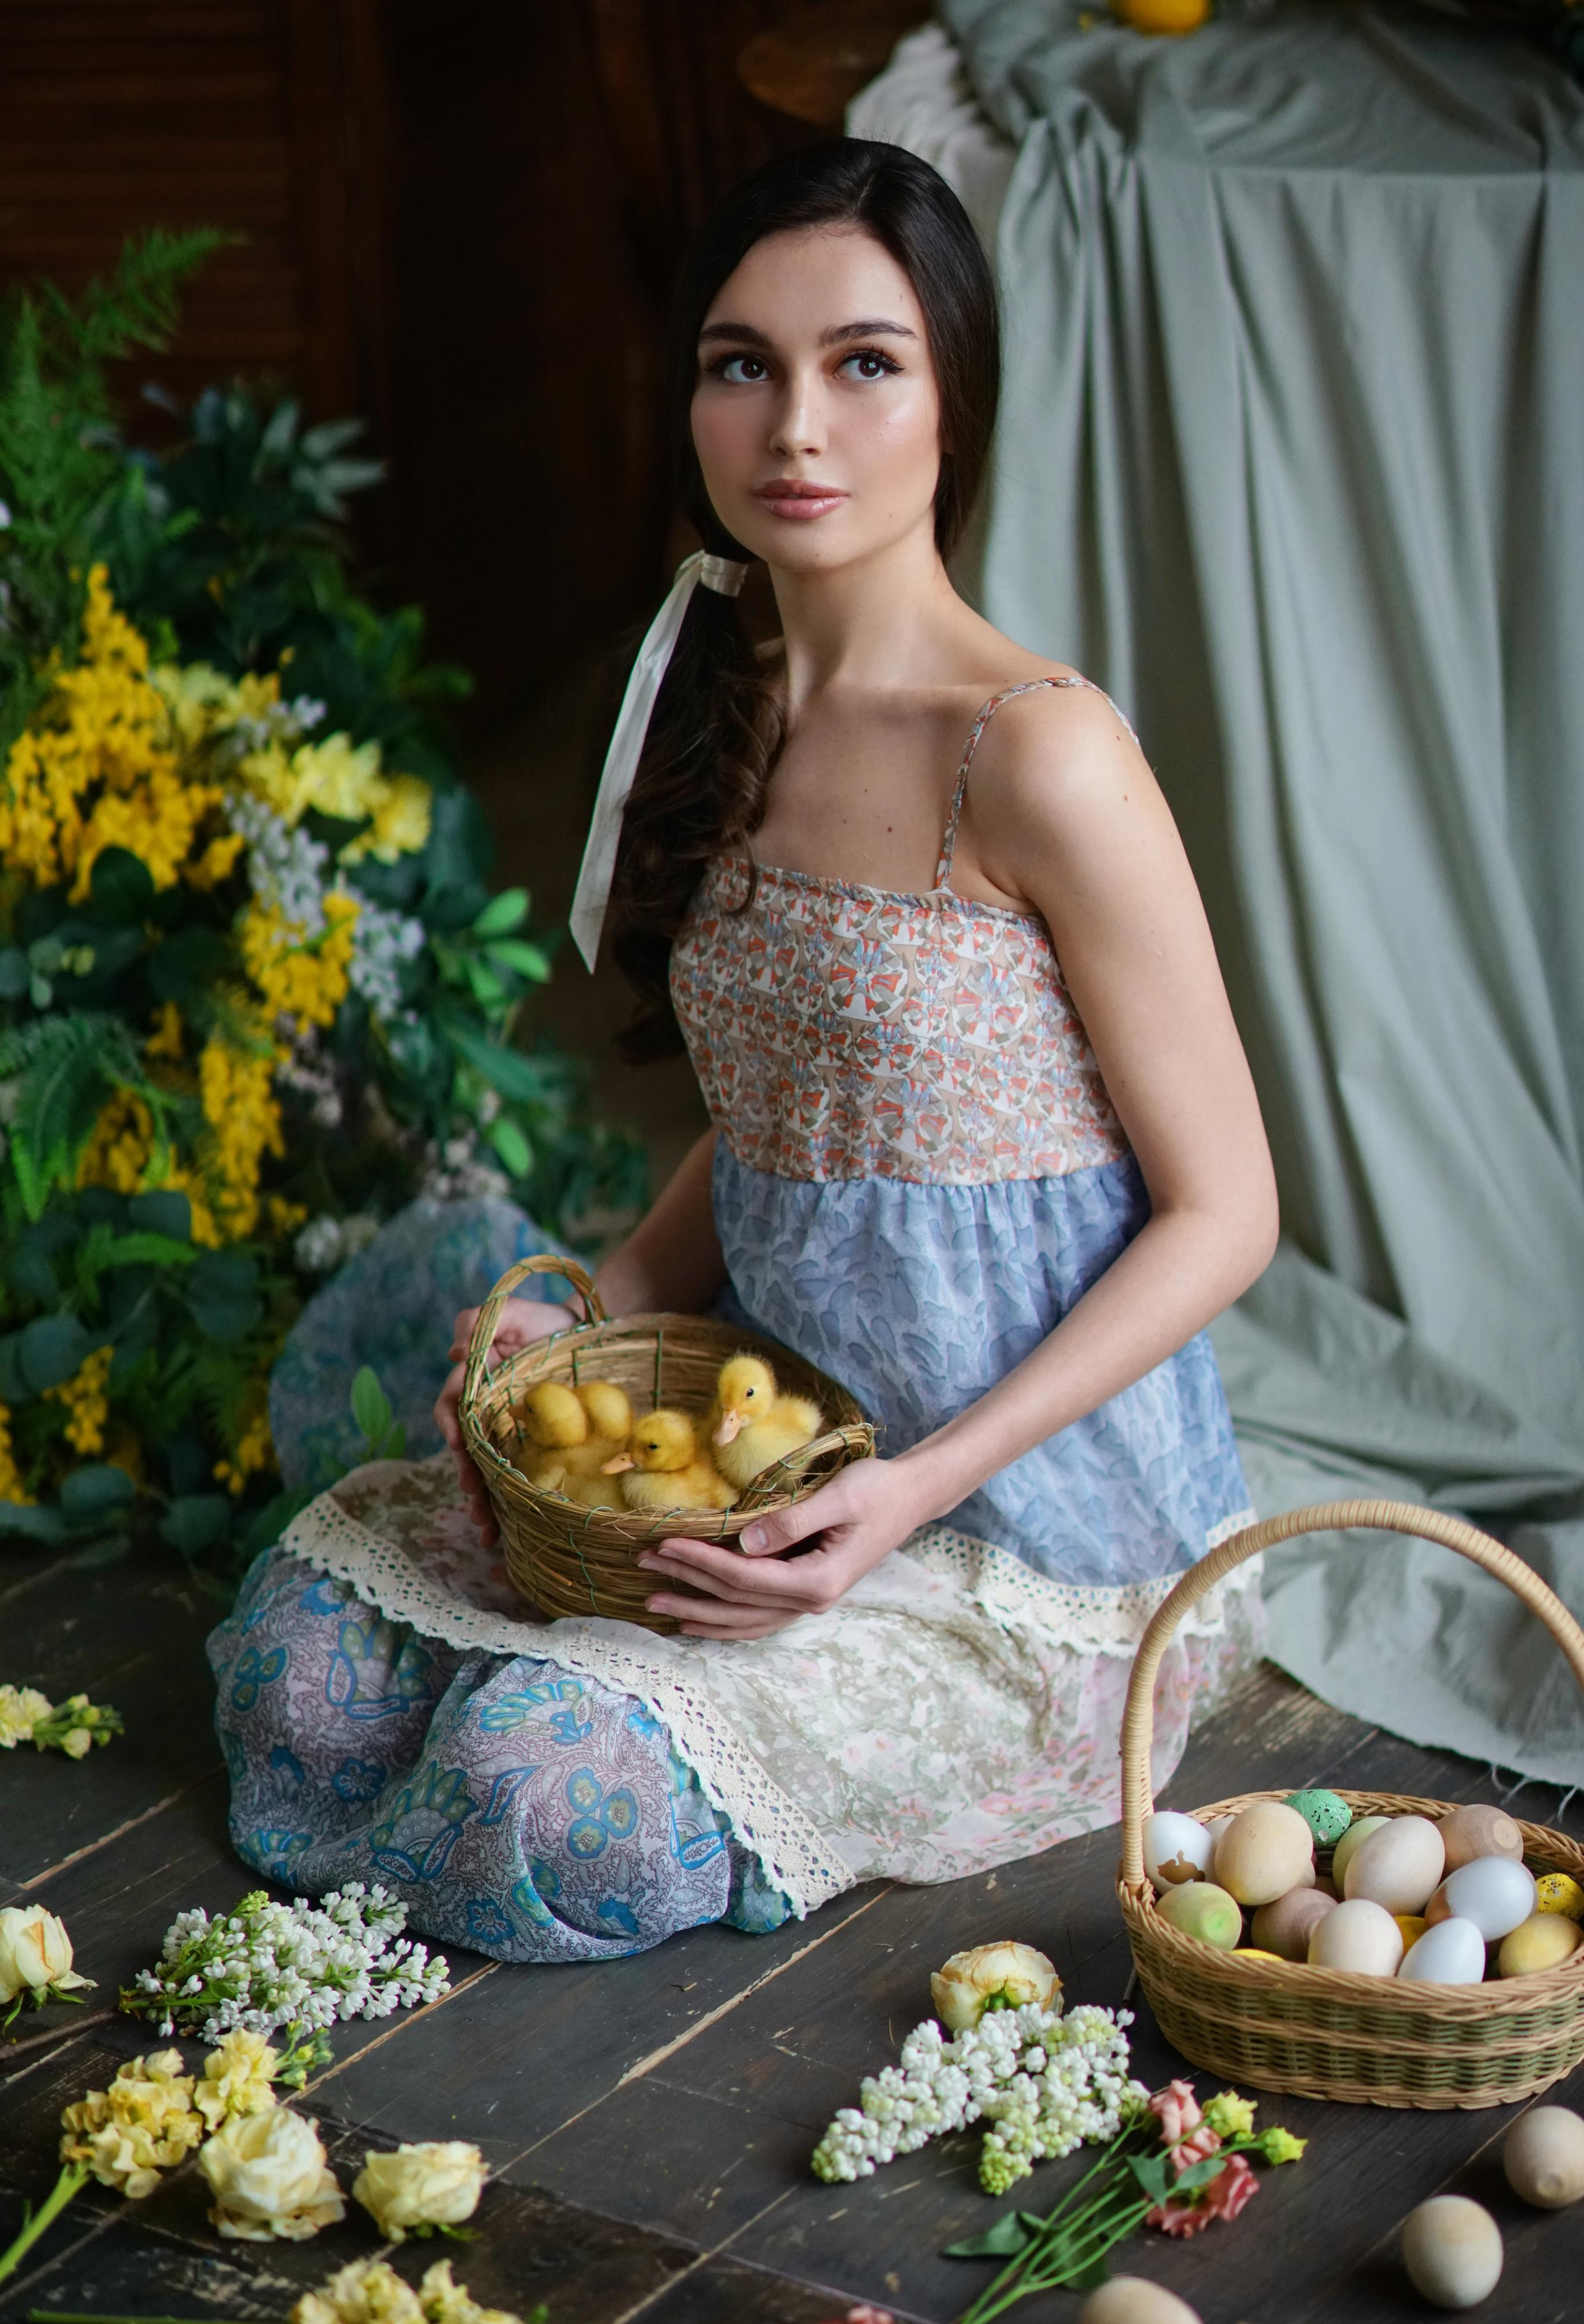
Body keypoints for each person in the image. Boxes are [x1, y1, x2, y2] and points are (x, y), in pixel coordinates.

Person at [209, 139, 1278, 1961]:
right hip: (759, 1448)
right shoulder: (719, 693)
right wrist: (602, 1290)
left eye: (866, 363)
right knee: (297, 1672)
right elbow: (809, 1132)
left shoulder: (1037, 752)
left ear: (956, 399)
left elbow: (1228, 1210)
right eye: (741, 363)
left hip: (1017, 1540)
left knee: (540, 1789)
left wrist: (913, 1494)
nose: (798, 423)